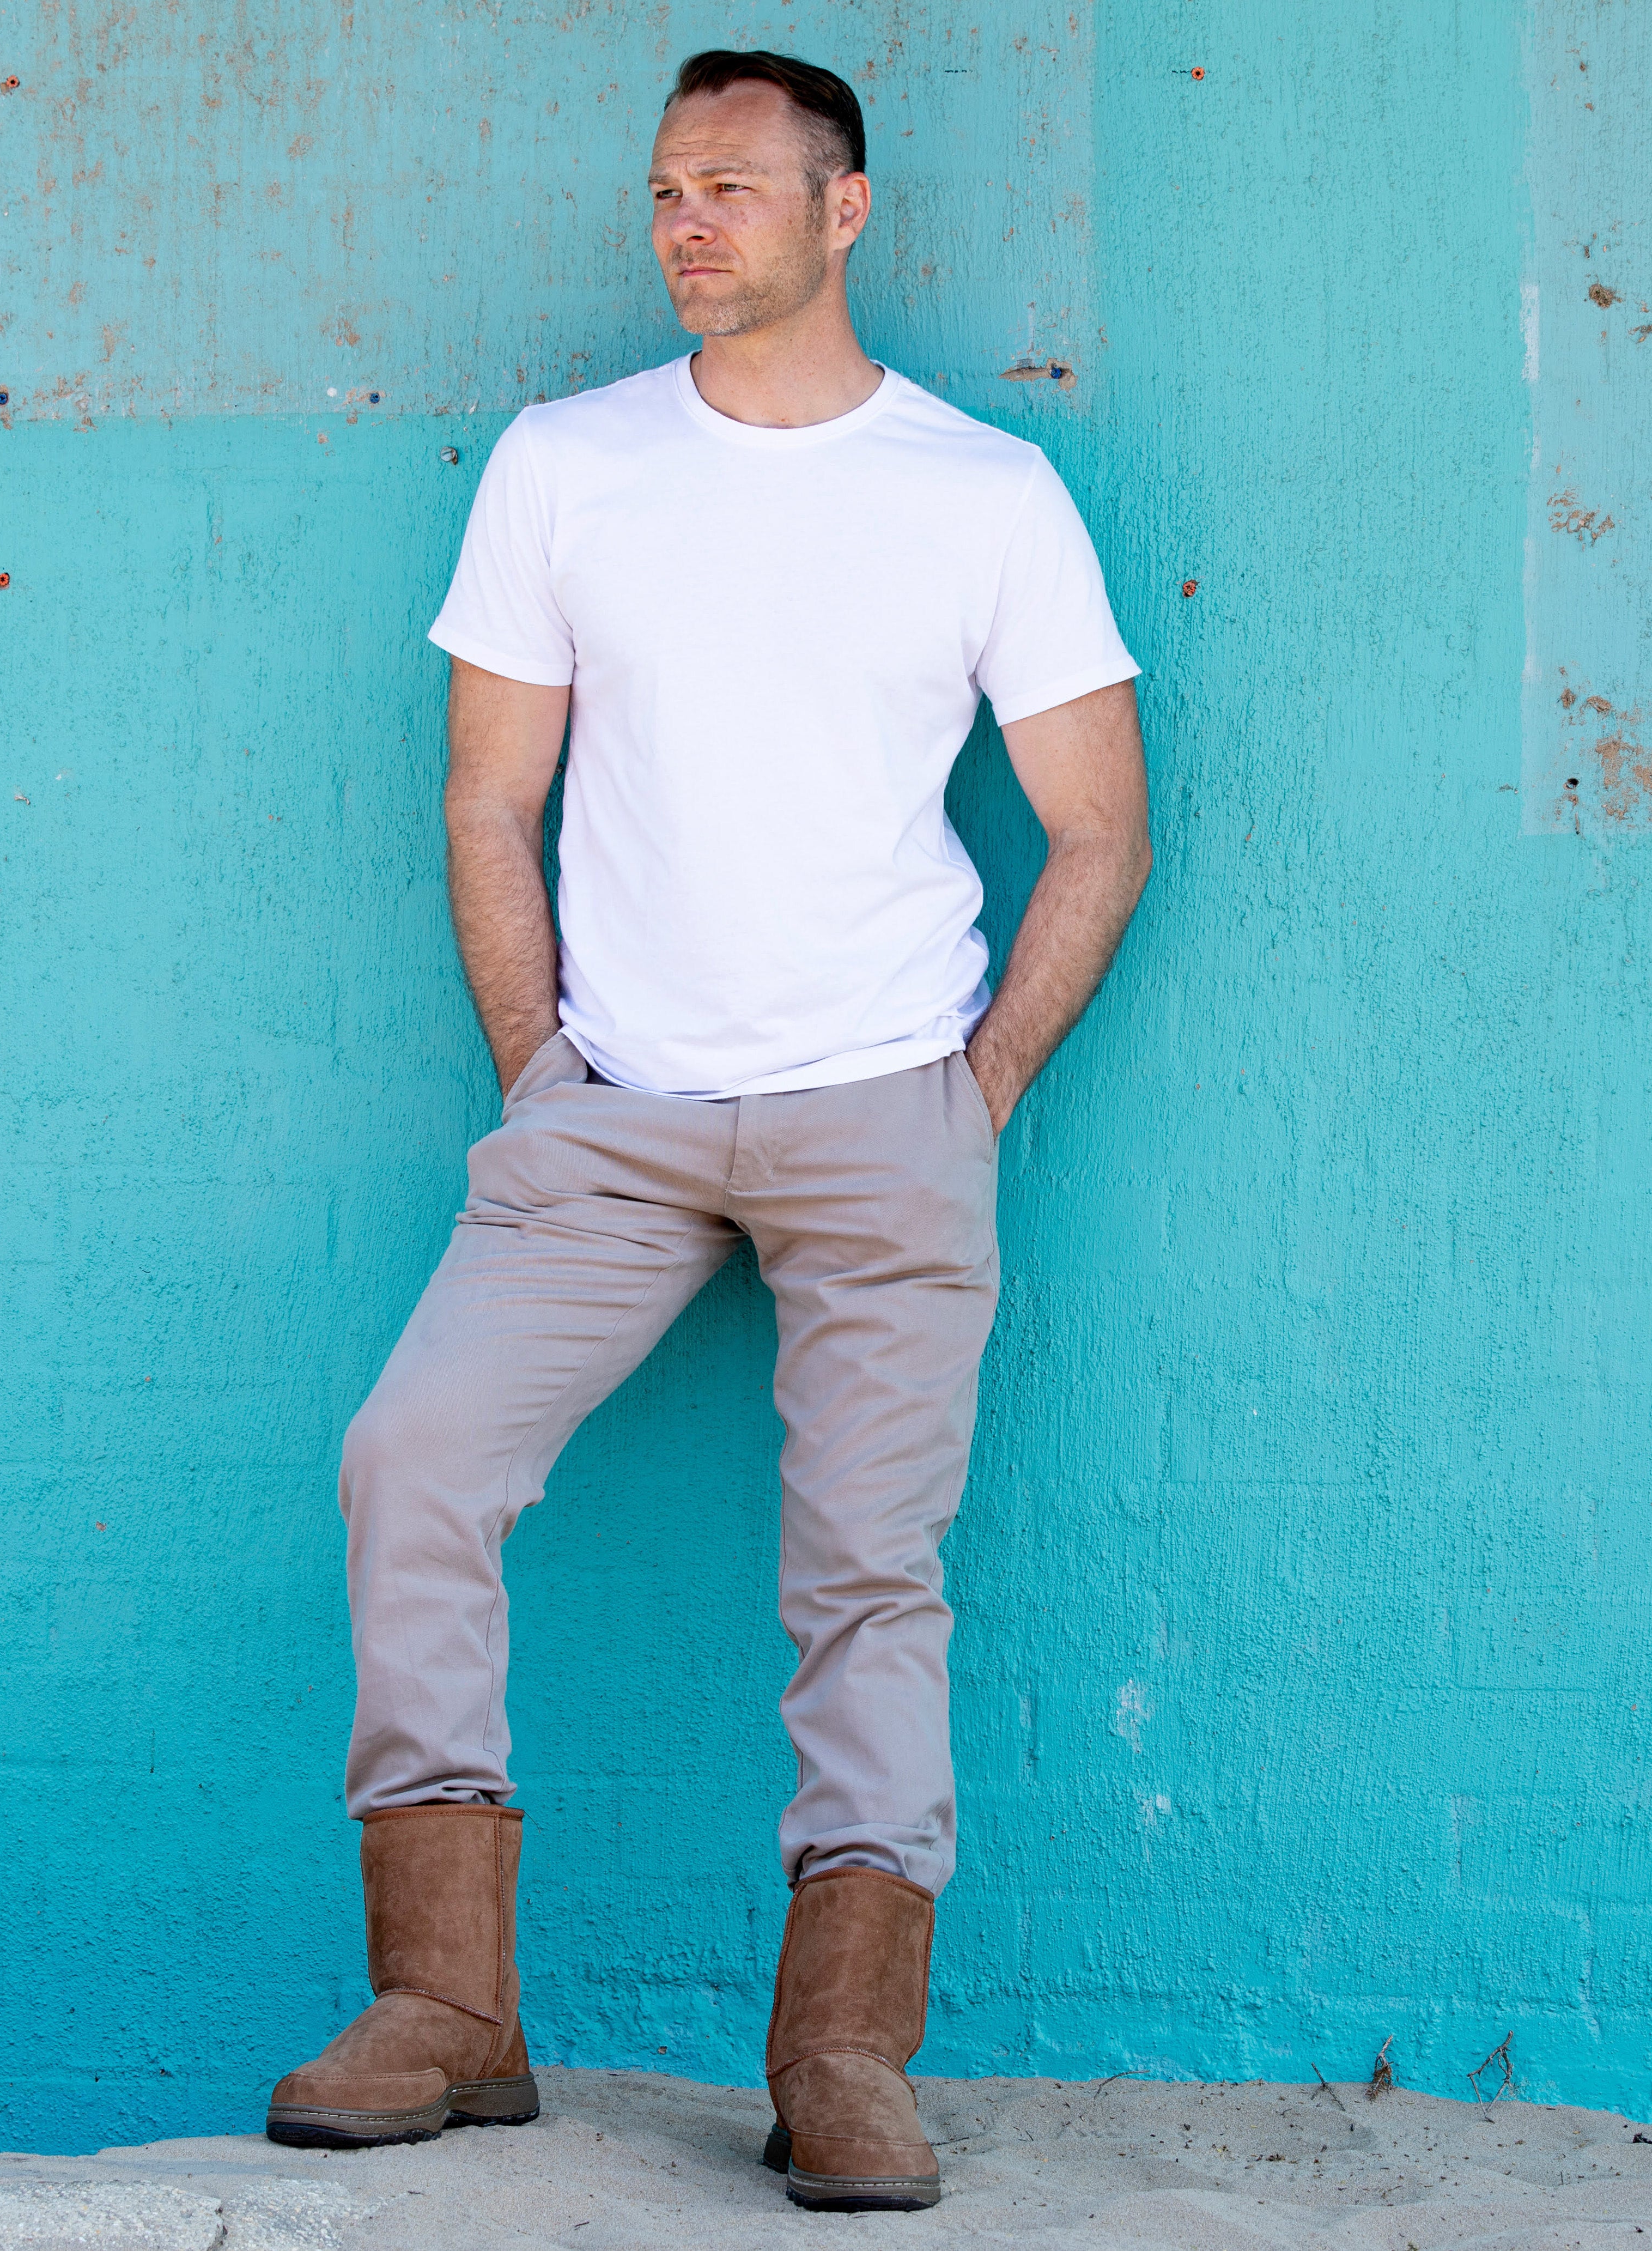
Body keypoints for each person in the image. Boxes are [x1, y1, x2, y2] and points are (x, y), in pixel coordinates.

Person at [265, 47, 1150, 2213]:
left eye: (736, 187)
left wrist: (976, 1094)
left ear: (845, 216)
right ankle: (450, 2010)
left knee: (867, 1579)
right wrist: (539, 1068)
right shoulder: (570, 468)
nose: (687, 221)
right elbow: (490, 796)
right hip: (614, 1118)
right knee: (412, 1459)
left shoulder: (982, 493)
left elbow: (1099, 832)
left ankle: (842, 2050)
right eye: (667, 185)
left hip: (884, 1114)